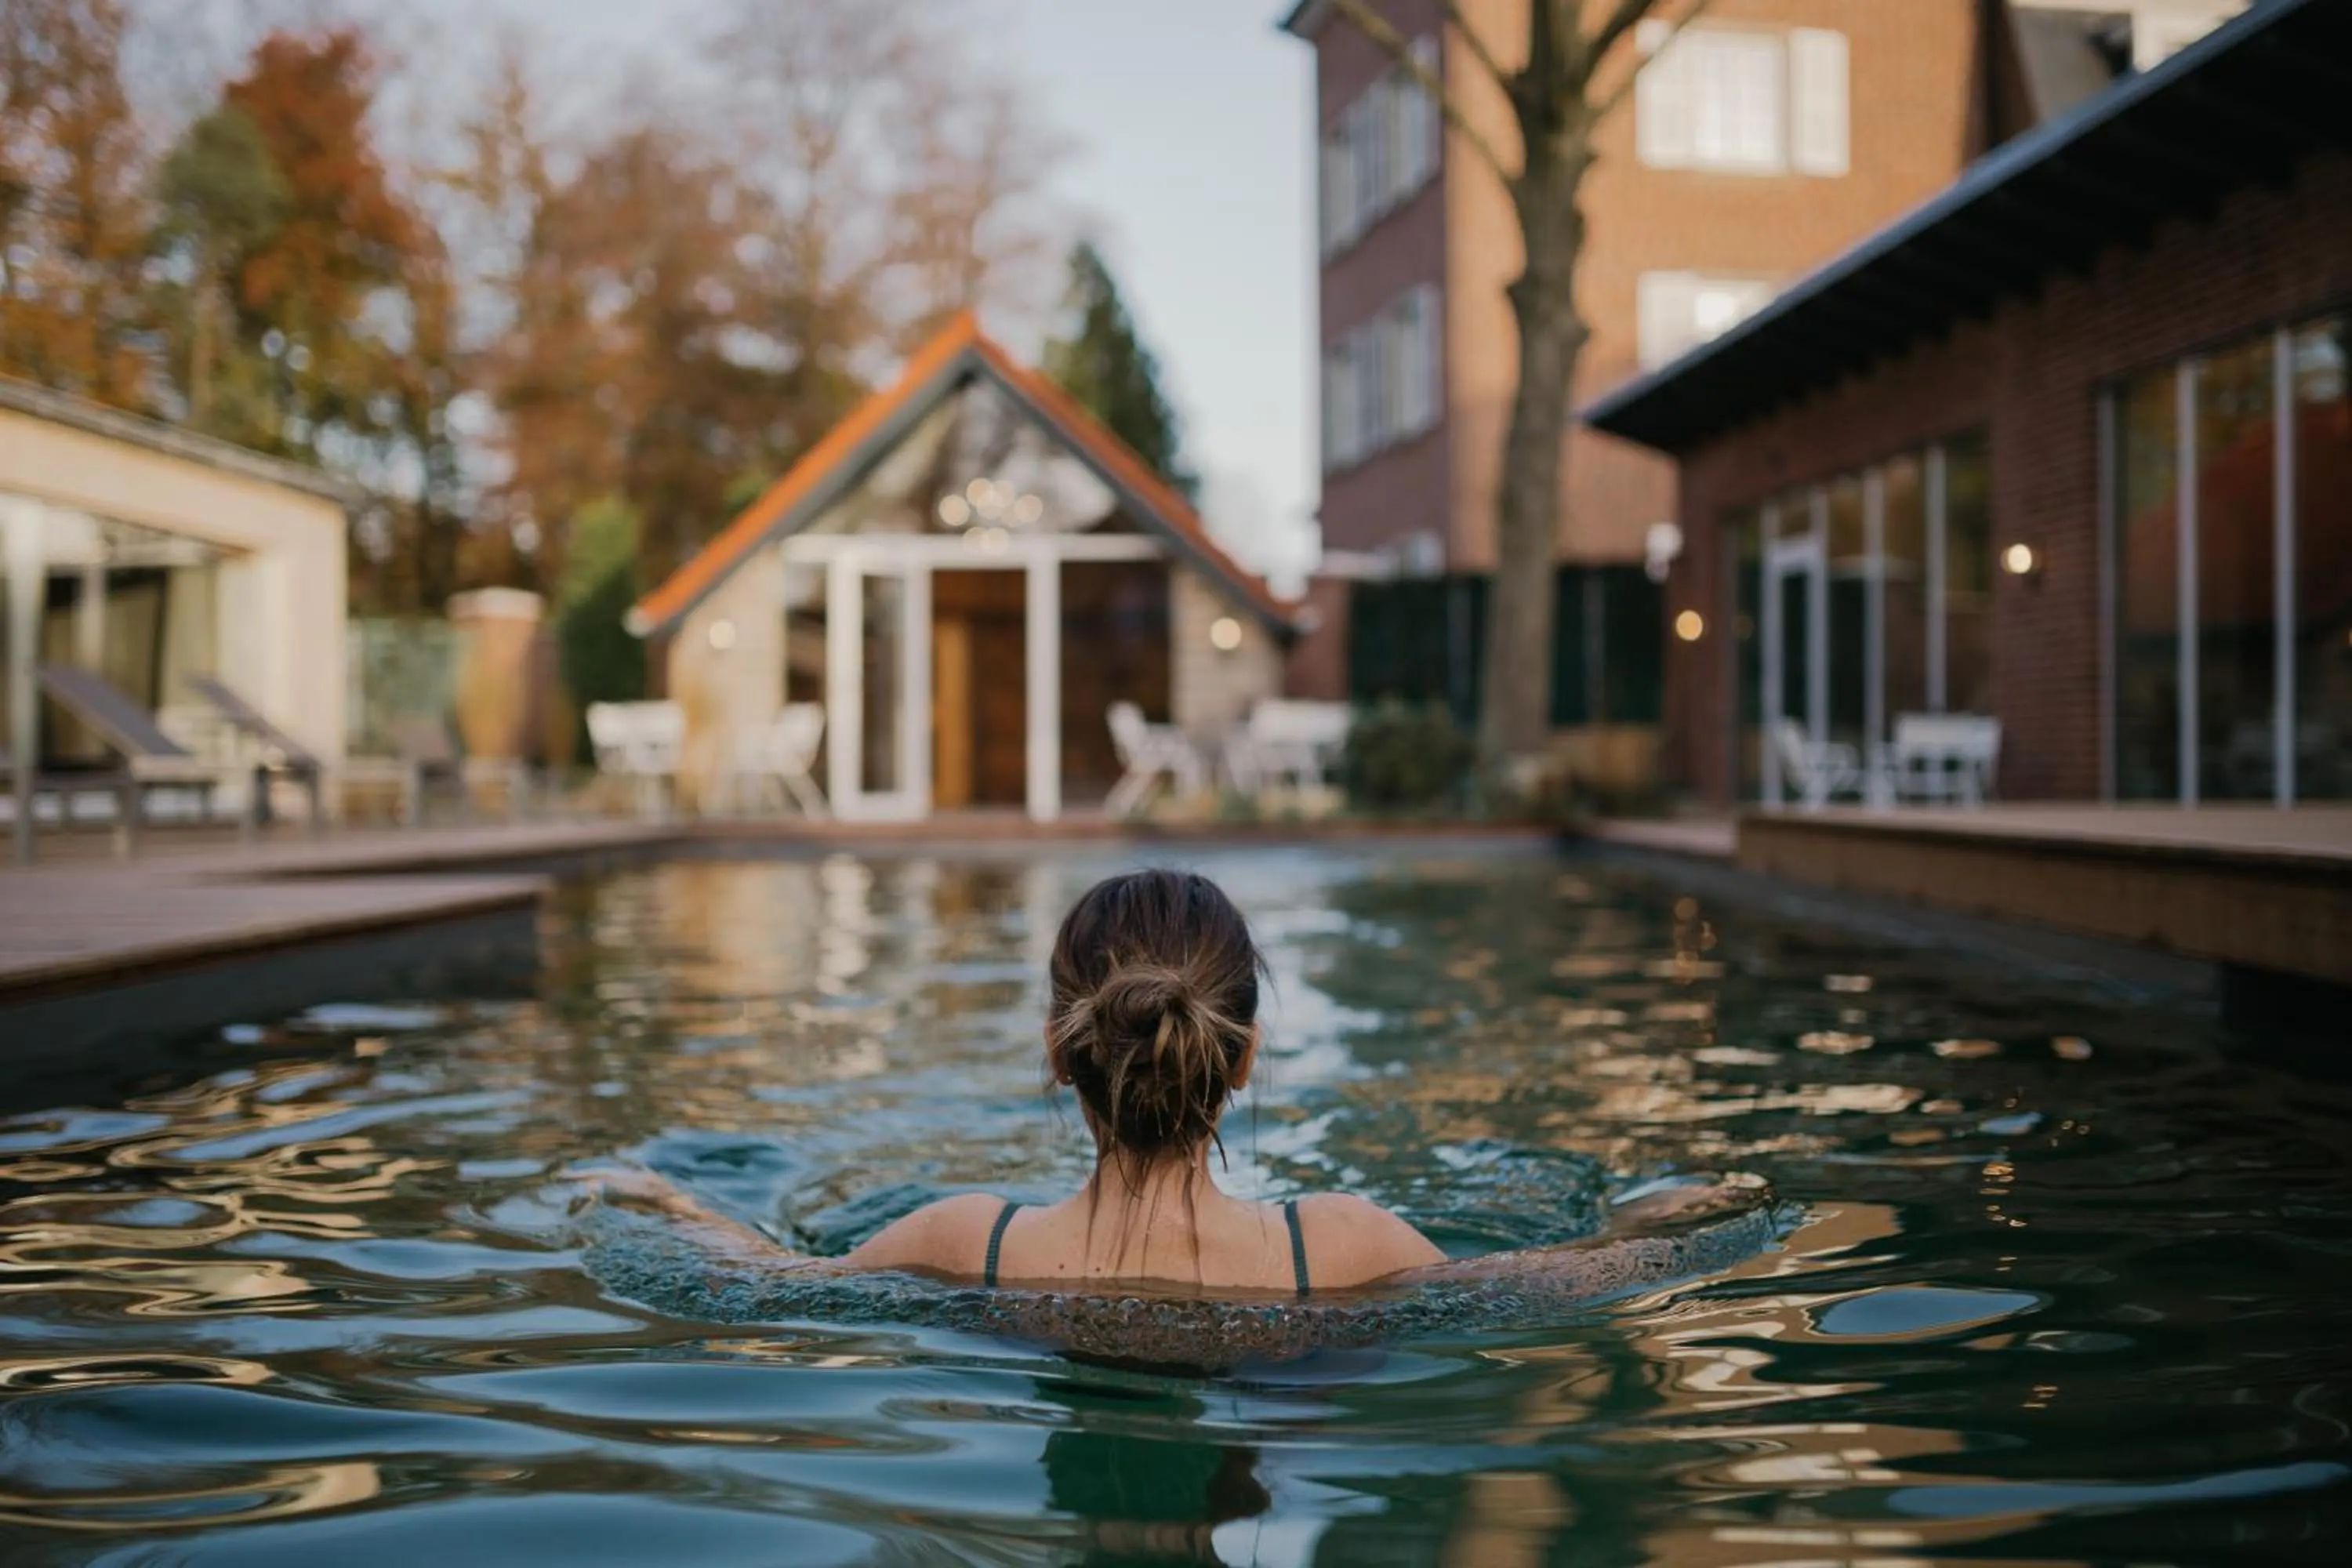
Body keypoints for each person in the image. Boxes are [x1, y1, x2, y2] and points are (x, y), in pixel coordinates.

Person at [597, 867, 1759, 1298]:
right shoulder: (1342, 1246)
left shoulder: (965, 1242)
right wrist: (1683, 1207)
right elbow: (1576, 1272)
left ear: (1059, 1055)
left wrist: (660, 1201)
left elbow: (766, 1280)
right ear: (1244, 1061)